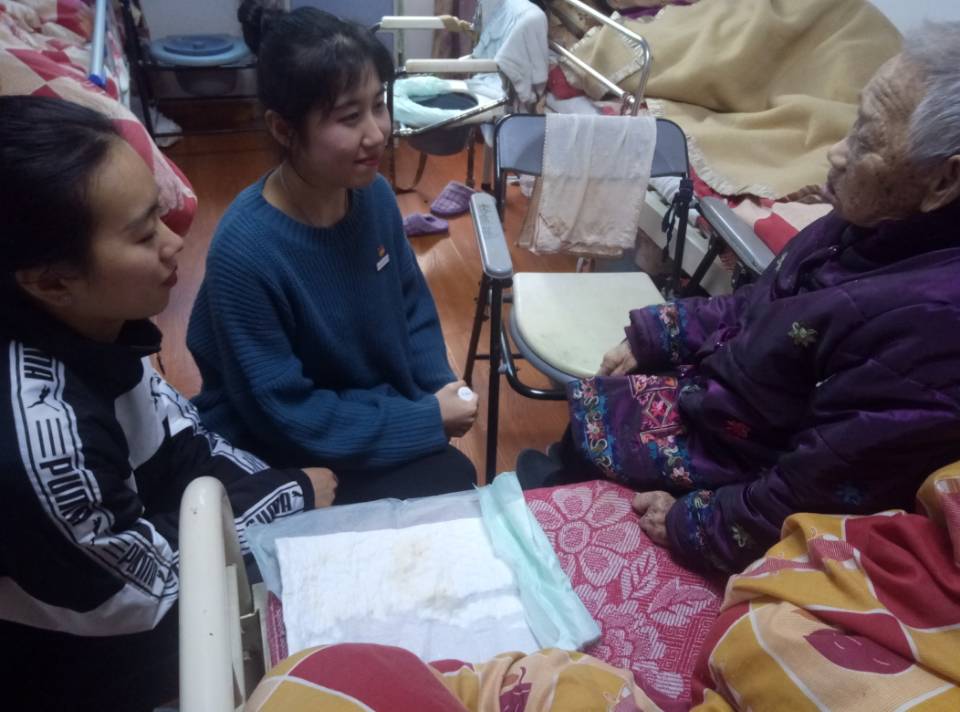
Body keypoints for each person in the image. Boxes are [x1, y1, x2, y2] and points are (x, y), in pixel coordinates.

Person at [523, 21, 960, 575]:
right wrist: (657, 334)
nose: (835, 154)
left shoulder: (935, 327)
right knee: (596, 405)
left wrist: (690, 524)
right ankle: (552, 486)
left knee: (596, 436)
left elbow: (817, 491)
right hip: (731, 406)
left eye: (868, 140)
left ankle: (552, 514)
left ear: (944, 182)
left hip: (745, 465)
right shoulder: (870, 223)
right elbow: (757, 303)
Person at [0, 96, 337, 712]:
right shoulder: (41, 435)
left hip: (144, 555)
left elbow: (184, 436)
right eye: (142, 233)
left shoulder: (100, 329)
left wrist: (282, 492)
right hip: (85, 661)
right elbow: (143, 587)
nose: (175, 241)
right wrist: (291, 495)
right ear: (51, 280)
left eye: (160, 213)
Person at [187, 8, 479, 504]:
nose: (377, 132)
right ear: (283, 129)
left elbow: (411, 303)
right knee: (450, 484)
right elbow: (285, 413)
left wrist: (440, 390)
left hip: (364, 407)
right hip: (285, 446)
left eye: (379, 105)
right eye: (349, 117)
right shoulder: (245, 252)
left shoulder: (374, 195)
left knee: (454, 477)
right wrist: (425, 419)